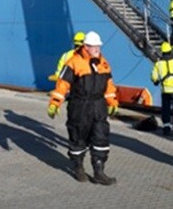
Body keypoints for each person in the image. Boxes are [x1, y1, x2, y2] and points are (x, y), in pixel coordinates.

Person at [47, 31, 119, 185]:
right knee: (78, 137)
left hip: (98, 105)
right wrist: (55, 103)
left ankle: (99, 172)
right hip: (79, 106)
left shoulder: (103, 63)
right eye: (94, 46)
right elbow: (62, 85)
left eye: (99, 46)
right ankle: (78, 168)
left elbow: (109, 85)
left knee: (101, 137)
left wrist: (112, 102)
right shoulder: (73, 62)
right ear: (86, 47)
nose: (98, 49)